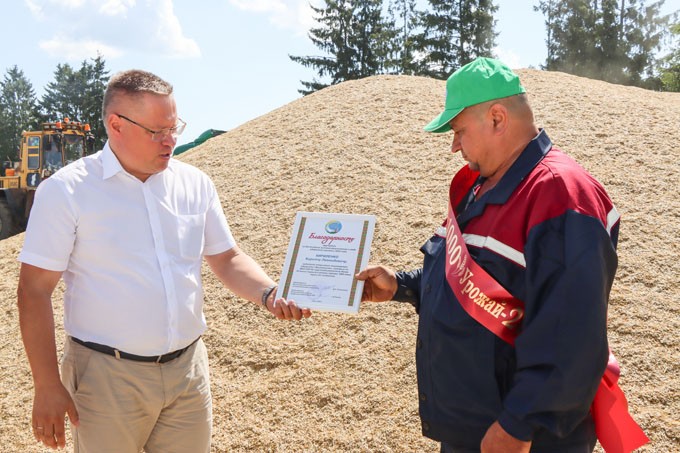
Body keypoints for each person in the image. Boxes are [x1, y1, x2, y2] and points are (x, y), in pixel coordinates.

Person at [356, 57, 645, 452]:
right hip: (475, 428)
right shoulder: (481, 187)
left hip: (525, 438)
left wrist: (517, 424)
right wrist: (400, 286)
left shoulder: (561, 193)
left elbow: (572, 331)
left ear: (496, 118)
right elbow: (465, 279)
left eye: (458, 130)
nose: (454, 144)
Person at [17, 69, 311, 452]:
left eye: (174, 128)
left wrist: (269, 293)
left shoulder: (195, 183)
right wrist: (46, 384)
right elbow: (34, 291)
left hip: (188, 372)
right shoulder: (67, 191)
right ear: (115, 125)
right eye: (157, 131)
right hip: (106, 378)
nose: (170, 141)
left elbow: (226, 258)